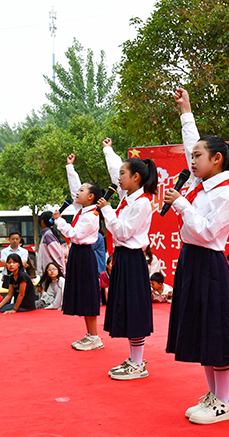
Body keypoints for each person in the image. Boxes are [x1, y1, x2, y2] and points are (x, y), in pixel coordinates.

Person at [164, 88, 229, 425]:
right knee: (201, 332)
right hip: (192, 262)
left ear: (217, 160)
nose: (191, 160)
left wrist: (180, 203)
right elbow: (191, 143)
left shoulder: (225, 196)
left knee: (216, 333)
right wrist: (186, 111)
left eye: (198, 156)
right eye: (192, 156)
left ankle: (224, 402)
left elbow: (209, 233)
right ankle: (214, 396)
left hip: (209, 263)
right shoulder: (205, 184)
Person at [97, 137, 157, 380]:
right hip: (122, 258)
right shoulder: (127, 196)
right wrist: (107, 149)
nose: (118, 178)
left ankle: (138, 363)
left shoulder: (141, 203)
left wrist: (107, 210)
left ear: (136, 178)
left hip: (132, 259)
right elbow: (114, 169)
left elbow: (122, 231)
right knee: (128, 310)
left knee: (135, 311)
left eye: (124, 174)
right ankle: (134, 360)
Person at [53, 153, 103, 350]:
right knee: (83, 295)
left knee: (88, 295)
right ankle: (90, 335)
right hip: (78, 255)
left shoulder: (91, 216)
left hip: (84, 255)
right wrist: (70, 167)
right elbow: (75, 188)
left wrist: (58, 220)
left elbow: (75, 235)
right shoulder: (84, 210)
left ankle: (95, 337)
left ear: (90, 197)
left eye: (83, 191)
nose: (77, 193)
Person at [36, 211, 65, 277]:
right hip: (48, 273)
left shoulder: (48, 235)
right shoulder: (47, 234)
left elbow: (57, 255)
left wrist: (61, 271)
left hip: (52, 274)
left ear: (42, 222)